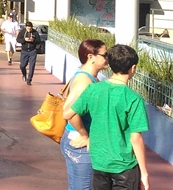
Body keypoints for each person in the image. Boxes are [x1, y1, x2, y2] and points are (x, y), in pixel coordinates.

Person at [64, 44, 149, 190]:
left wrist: (85, 135)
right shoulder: (134, 99)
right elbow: (136, 139)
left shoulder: (93, 89)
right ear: (133, 68)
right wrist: (144, 174)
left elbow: (68, 113)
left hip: (99, 163)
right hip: (124, 166)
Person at [61, 39, 109, 190]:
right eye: (105, 55)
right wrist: (84, 135)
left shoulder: (88, 77)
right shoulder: (85, 81)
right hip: (79, 144)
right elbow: (68, 112)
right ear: (91, 57)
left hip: (76, 141)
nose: (108, 58)